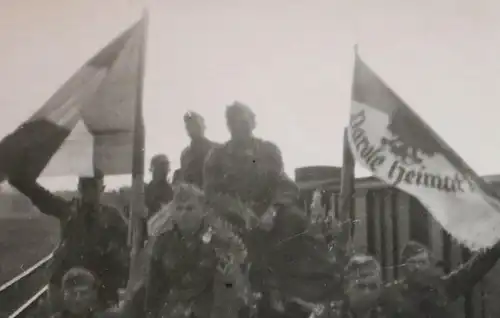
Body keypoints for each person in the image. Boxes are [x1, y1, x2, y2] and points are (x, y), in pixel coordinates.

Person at [120, 183, 251, 318]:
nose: (184, 214)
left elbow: (227, 291)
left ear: (203, 210)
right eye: (179, 208)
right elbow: (154, 287)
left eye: (190, 208)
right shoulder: (163, 242)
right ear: (173, 212)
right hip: (173, 310)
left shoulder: (220, 241)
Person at [8, 169, 129, 310]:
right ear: (79, 188)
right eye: (85, 186)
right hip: (68, 282)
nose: (89, 191)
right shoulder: (68, 210)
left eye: (93, 186)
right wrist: (19, 180)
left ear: (102, 188)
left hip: (99, 285)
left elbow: (128, 245)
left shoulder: (112, 216)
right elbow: (42, 198)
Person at [180, 111, 217, 188]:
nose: (192, 129)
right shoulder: (185, 154)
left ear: (203, 127)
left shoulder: (216, 149)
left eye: (195, 125)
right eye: (189, 126)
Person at [145, 154, 173, 219]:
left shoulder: (170, 189)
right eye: (162, 164)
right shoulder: (146, 189)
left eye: (166, 165)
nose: (164, 168)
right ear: (153, 168)